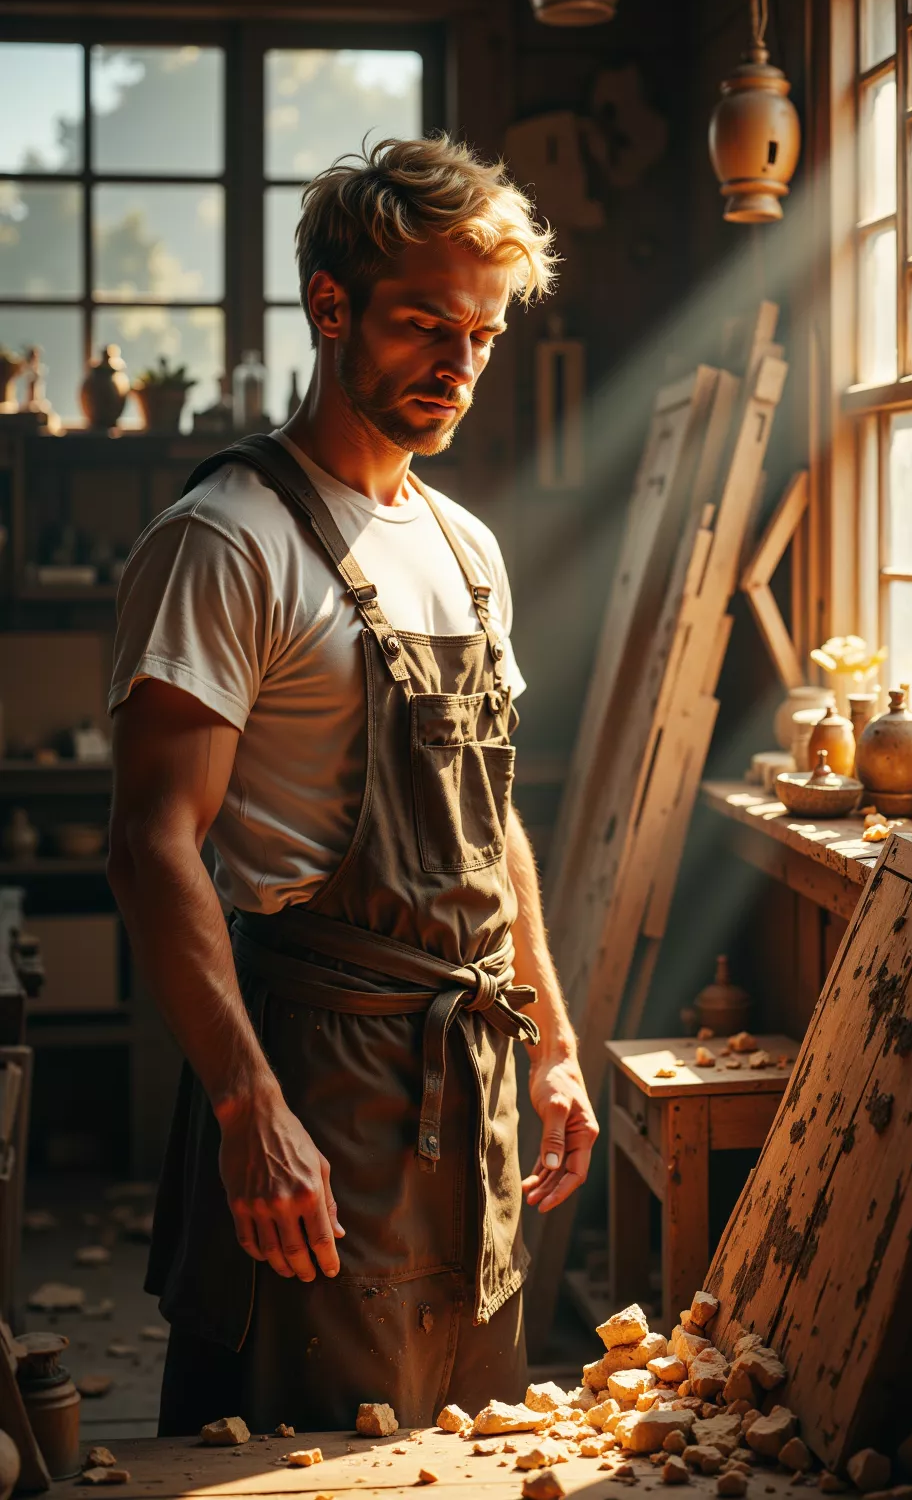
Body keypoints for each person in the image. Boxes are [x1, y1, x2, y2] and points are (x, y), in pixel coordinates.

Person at [106, 135, 598, 1435]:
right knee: (294, 1453)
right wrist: (247, 1106)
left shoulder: (466, 547)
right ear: (331, 306)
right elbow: (152, 844)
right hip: (313, 1083)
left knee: (463, 1448)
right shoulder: (227, 540)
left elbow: (490, 818)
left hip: (468, 1087)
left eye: (482, 335)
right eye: (426, 324)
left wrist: (551, 1042)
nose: (459, 364)